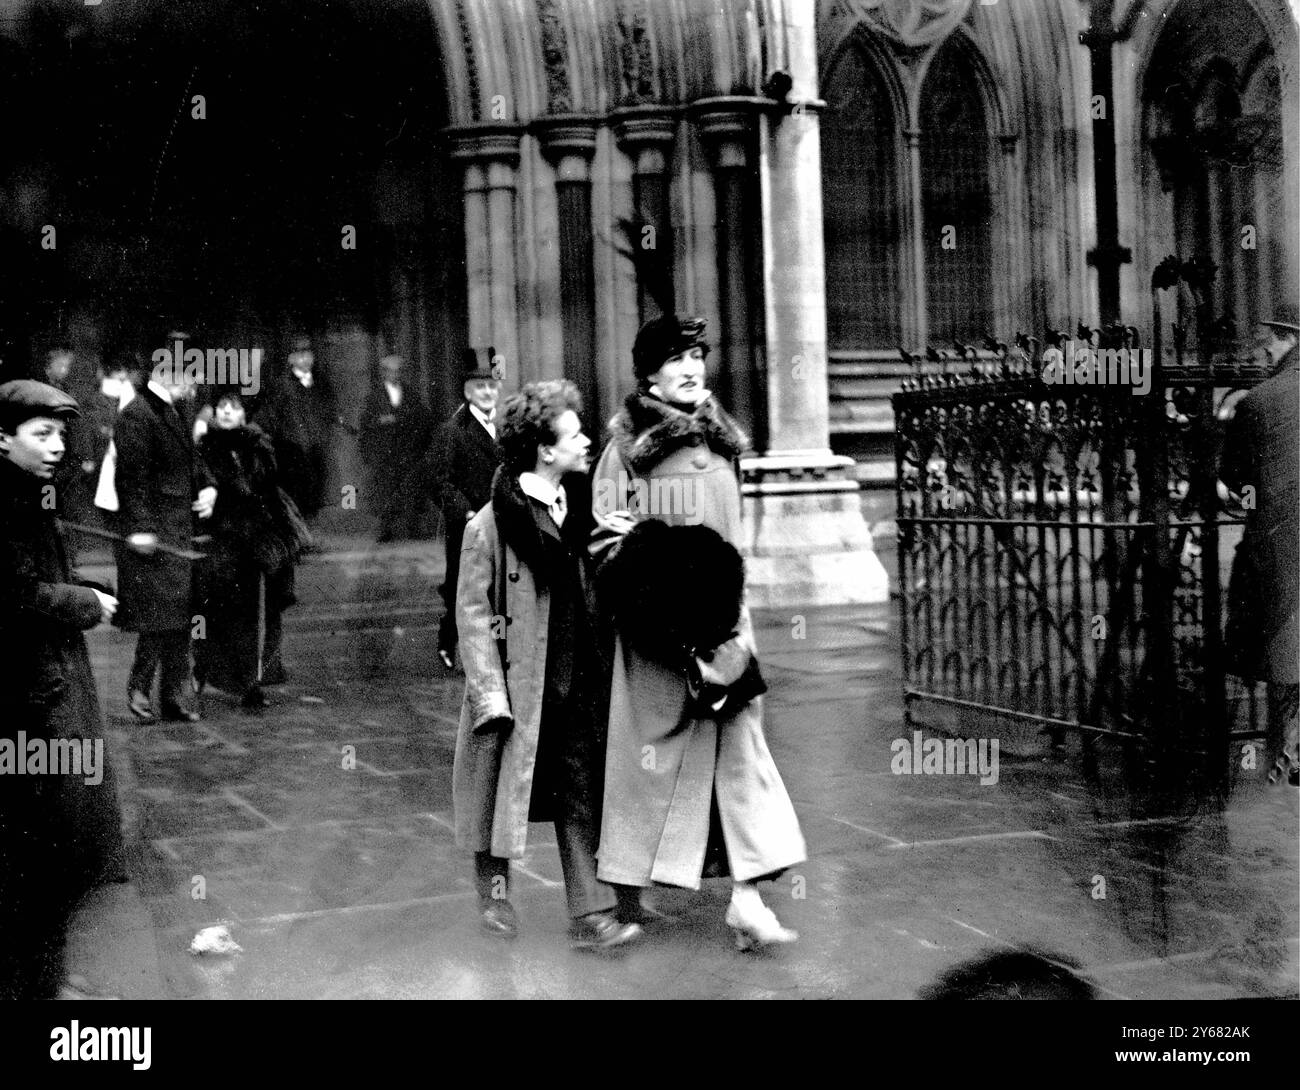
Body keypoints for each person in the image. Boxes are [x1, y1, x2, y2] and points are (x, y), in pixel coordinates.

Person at [589, 314, 807, 950]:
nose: (691, 369)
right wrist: (665, 590)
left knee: (743, 758)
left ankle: (748, 899)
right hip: (660, 639)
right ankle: (626, 893)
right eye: (676, 359)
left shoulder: (722, 442)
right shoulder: (627, 444)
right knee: (651, 765)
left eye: (697, 357)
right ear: (650, 372)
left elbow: (734, 544)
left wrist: (731, 620)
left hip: (727, 631)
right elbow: (607, 535)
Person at [452, 380, 641, 949]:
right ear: (544, 449)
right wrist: (490, 697)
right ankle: (495, 902)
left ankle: (590, 915)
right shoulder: (490, 523)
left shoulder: (582, 509)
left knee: (576, 791)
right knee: (497, 799)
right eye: (574, 432)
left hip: (576, 677)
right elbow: (472, 614)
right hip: (519, 685)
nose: (587, 439)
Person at [0, 379, 127, 998]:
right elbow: (16, 594)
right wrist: (83, 600)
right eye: (40, 434)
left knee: (51, 851)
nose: (55, 446)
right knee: (35, 850)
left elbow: (43, 575)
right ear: (3, 437)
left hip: (50, 685)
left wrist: (86, 590)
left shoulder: (30, 495)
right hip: (26, 699)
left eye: (60, 434)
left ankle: (41, 982)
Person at [113, 345, 217, 723]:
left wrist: (207, 486)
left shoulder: (172, 411)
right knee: (158, 620)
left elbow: (192, 461)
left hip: (177, 530)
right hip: (154, 534)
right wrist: (141, 528)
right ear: (169, 375)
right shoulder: (137, 415)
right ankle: (140, 692)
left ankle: (172, 698)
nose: (194, 385)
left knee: (178, 617)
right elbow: (132, 480)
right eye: (190, 376)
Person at [1222, 308, 1300, 786]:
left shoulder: (1260, 402)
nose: (1263, 351)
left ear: (1288, 338)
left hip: (1282, 545)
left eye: (1268, 341)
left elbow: (1231, 475)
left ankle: (1285, 757)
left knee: (1285, 647)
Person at [194, 393, 300, 710]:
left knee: (255, 614)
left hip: (256, 540)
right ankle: (221, 674)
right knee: (225, 614)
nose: (227, 412)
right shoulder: (205, 447)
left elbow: (265, 483)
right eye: (222, 408)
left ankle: (251, 682)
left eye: (234, 408)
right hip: (224, 540)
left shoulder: (258, 444)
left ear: (243, 414)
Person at [432, 347, 504, 669]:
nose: (487, 392)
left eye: (491, 386)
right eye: (479, 387)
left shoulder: (504, 428)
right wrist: (468, 514)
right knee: (464, 587)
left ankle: (494, 651)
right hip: (469, 526)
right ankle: (450, 643)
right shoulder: (454, 431)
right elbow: (440, 483)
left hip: (501, 522)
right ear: (467, 392)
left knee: (498, 587)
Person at [257, 334, 333, 519]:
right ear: (291, 360)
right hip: (292, 452)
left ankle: (308, 535)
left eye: (308, 355)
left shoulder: (321, 385)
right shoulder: (282, 385)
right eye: (299, 356)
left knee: (313, 496)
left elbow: (328, 413)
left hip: (315, 450)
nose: (305, 360)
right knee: (295, 496)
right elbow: (271, 416)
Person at [359, 352, 432, 541]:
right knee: (385, 491)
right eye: (391, 372)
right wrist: (381, 421)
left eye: (398, 371)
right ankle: (386, 530)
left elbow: (421, 419)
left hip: (406, 451)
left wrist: (401, 421)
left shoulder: (411, 394)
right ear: (384, 373)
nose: (395, 375)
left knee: (410, 489)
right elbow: (366, 425)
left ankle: (413, 529)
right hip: (384, 453)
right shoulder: (374, 397)